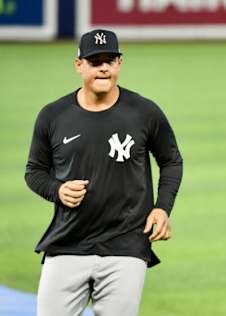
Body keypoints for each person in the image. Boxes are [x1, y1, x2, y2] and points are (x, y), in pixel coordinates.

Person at [25, 29, 183, 316]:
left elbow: (171, 160)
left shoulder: (144, 113)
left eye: (109, 60)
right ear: (79, 65)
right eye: (95, 60)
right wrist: (57, 190)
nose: (103, 67)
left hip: (126, 246)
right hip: (67, 243)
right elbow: (34, 171)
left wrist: (162, 208)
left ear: (119, 63)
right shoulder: (53, 116)